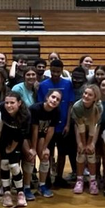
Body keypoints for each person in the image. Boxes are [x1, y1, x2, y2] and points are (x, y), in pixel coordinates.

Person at [38, 59, 76, 187]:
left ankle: (59, 177)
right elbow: (41, 106)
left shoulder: (67, 84)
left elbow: (70, 105)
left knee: (62, 153)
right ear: (50, 70)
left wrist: (68, 124)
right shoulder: (43, 85)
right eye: (53, 71)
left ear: (62, 71)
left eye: (58, 72)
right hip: (48, 125)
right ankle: (47, 177)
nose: (55, 74)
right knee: (47, 152)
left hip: (63, 125)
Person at [0, 92, 31, 207]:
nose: (9, 105)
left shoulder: (25, 115)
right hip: (3, 139)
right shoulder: (2, 107)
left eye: (12, 103)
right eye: (7, 102)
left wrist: (11, 148)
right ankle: (7, 193)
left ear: (19, 103)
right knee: (4, 164)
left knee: (14, 166)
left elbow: (21, 136)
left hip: (17, 140)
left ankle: (20, 193)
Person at [27, 90, 62, 197]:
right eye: (53, 97)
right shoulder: (35, 109)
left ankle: (42, 185)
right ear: (47, 97)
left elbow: (50, 130)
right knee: (30, 157)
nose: (54, 100)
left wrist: (45, 148)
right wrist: (33, 148)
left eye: (58, 99)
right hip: (27, 135)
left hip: (41, 135)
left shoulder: (56, 112)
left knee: (45, 156)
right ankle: (26, 187)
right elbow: (34, 130)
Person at [71, 85, 103, 195]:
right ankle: (79, 180)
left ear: (95, 98)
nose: (86, 96)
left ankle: (92, 181)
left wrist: (91, 143)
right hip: (80, 128)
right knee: (81, 152)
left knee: (91, 152)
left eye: (90, 95)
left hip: (92, 129)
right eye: (85, 93)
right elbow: (79, 126)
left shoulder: (98, 107)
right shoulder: (77, 106)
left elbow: (95, 126)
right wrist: (81, 143)